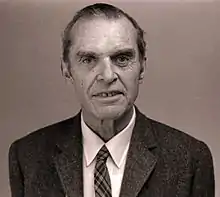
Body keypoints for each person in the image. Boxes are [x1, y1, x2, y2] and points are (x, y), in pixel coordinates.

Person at [8, 3, 215, 197]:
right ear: (66, 68)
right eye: (88, 60)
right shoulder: (27, 157)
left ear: (142, 66)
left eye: (122, 58)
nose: (107, 76)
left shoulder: (190, 159)